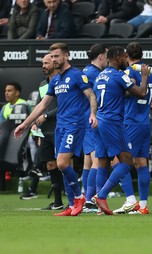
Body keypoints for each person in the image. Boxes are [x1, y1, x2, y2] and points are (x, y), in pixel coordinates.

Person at [14, 42, 98, 217]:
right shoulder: (56, 80)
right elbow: (42, 105)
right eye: (51, 57)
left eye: (56, 56)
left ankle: (79, 197)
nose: (53, 60)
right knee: (63, 166)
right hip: (60, 127)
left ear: (66, 56)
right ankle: (71, 205)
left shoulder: (76, 75)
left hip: (74, 126)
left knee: (61, 163)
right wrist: (25, 124)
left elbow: (91, 95)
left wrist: (92, 114)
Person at [91, 46, 150, 216]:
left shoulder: (101, 75)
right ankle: (101, 196)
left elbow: (110, 95)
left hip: (100, 120)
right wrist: (144, 76)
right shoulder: (119, 76)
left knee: (102, 161)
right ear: (116, 57)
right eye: (124, 56)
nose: (126, 59)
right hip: (113, 122)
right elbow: (141, 92)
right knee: (127, 162)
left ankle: (99, 209)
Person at [113, 42, 152, 215]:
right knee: (141, 162)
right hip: (145, 121)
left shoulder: (128, 72)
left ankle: (131, 201)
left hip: (130, 122)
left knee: (119, 162)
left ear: (126, 56)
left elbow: (129, 92)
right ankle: (142, 206)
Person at [19, 54, 65, 211]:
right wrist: (34, 124)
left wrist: (47, 115)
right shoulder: (42, 84)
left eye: (46, 63)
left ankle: (78, 200)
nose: (43, 66)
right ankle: (58, 202)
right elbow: (40, 106)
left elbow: (66, 106)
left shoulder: (64, 81)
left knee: (64, 164)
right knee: (51, 164)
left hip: (62, 128)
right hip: (46, 130)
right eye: (42, 63)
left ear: (54, 62)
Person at [81, 44, 108, 213]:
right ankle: (91, 200)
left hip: (85, 118)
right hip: (93, 119)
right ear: (100, 57)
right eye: (106, 56)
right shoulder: (95, 74)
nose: (107, 59)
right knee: (97, 160)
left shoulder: (86, 71)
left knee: (88, 162)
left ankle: (86, 198)